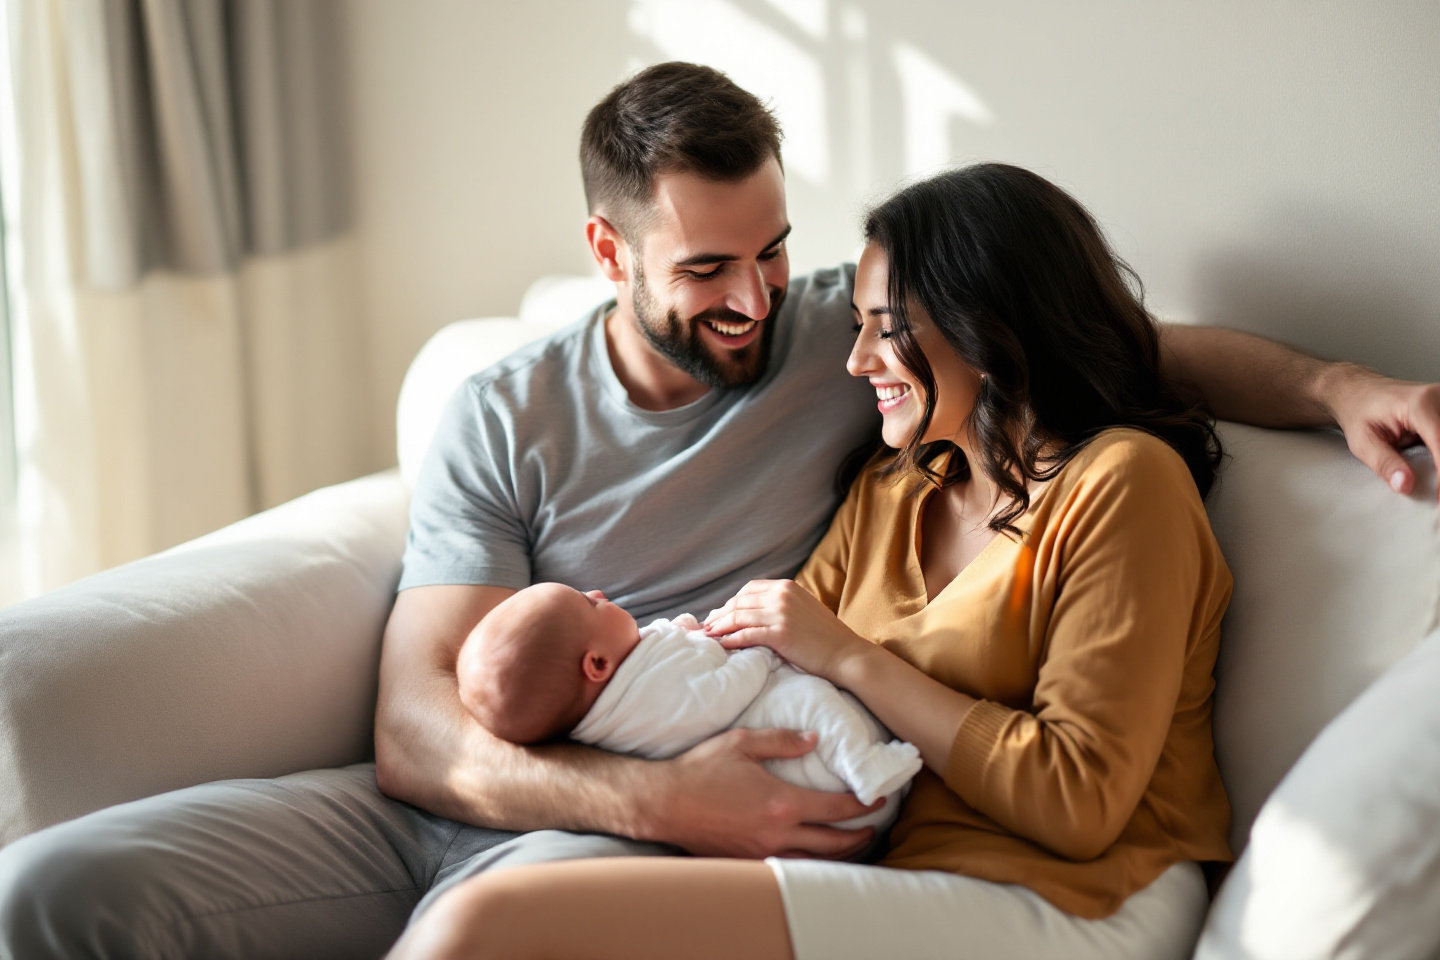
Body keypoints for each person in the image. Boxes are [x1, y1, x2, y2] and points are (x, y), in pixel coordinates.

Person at [0, 61, 1434, 960]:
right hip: (549, 796)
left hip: (796, 848)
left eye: (778, 257)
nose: (764, 306)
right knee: (54, 894)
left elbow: (1105, 350)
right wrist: (656, 781)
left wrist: (1337, 382)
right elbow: (416, 724)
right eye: (705, 273)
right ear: (607, 250)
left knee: (485, 930)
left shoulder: (888, 381)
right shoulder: (542, 421)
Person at [387, 160, 1235, 959]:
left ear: (990, 334)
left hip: (1076, 897)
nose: (856, 360)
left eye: (888, 331)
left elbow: (1078, 801)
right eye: (858, 324)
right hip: (890, 873)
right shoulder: (890, 490)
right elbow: (768, 654)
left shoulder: (1124, 485)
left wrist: (849, 657)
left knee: (487, 923)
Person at [456, 582, 920, 835]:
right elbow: (715, 697)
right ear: (596, 664)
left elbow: (671, 639)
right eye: (587, 604)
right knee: (810, 702)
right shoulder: (640, 702)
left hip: (769, 785)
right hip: (816, 786)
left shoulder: (618, 681)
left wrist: (693, 632)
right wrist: (759, 653)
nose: (598, 593)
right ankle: (866, 767)